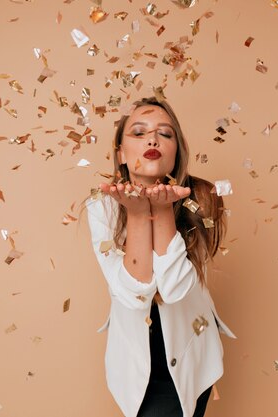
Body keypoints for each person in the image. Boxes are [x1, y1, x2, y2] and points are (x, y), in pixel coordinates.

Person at [82, 96, 237, 417]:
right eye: (139, 132)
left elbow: (175, 289)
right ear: (121, 153)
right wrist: (138, 216)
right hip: (135, 360)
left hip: (192, 351)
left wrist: (162, 209)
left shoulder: (205, 198)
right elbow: (135, 295)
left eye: (165, 134)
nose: (152, 139)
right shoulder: (102, 206)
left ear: (177, 151)